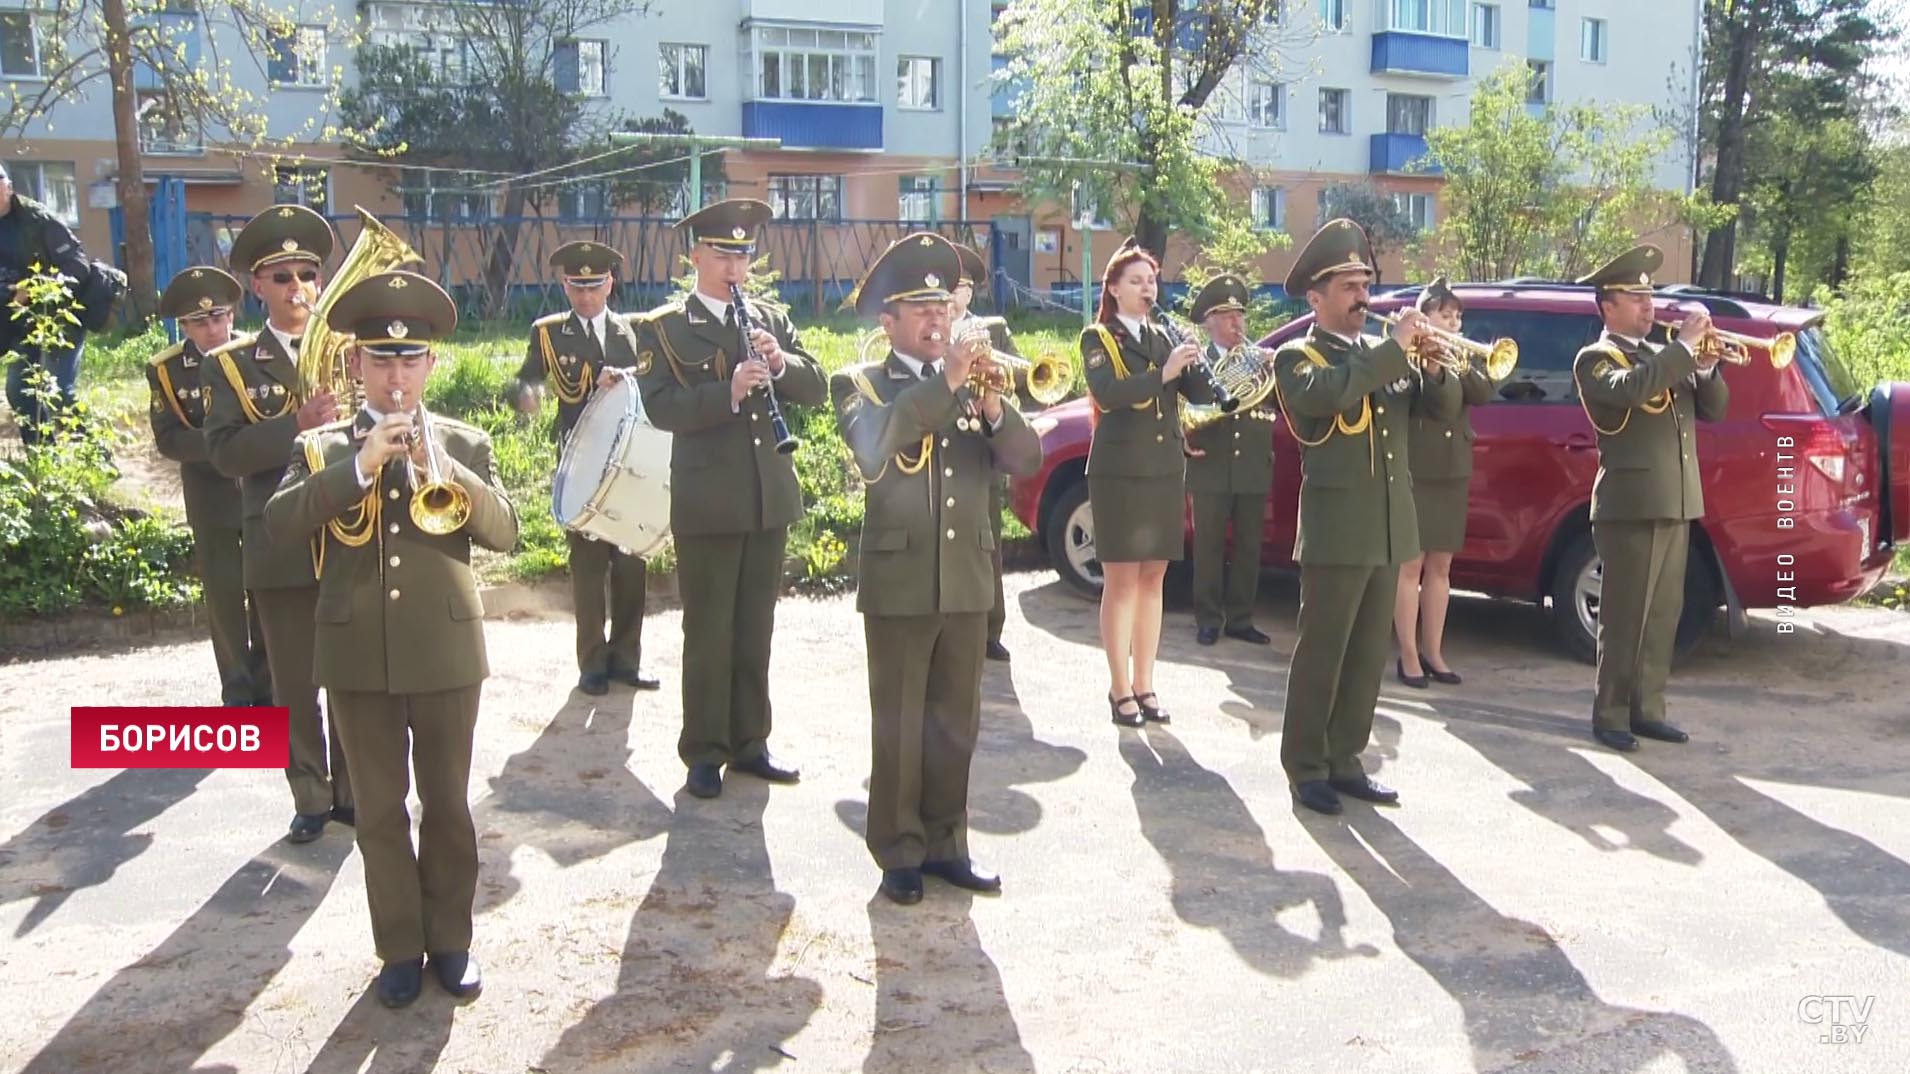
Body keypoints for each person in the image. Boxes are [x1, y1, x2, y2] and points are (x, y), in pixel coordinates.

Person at [264, 269, 519, 1008]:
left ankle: (452, 941)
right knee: (377, 811)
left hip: (444, 653)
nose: (397, 375)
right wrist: (360, 463)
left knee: (448, 805)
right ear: (357, 366)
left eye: (411, 361)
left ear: (432, 365)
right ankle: (398, 948)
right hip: (355, 656)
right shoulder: (319, 448)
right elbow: (280, 526)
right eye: (382, 360)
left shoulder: (465, 441)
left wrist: (443, 467)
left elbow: (506, 531)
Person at [832, 232, 1044, 905]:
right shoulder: (861, 383)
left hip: (965, 579)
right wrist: (949, 383)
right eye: (919, 309)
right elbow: (875, 449)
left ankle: (948, 841)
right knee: (898, 720)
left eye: (940, 308)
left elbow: (1027, 459)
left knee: (957, 719)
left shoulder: (976, 384)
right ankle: (898, 848)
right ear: (887, 320)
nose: (935, 320)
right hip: (899, 580)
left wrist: (992, 408)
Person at [630, 199, 828, 800]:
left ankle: (751, 741)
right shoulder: (663, 327)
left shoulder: (768, 315)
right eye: (722, 253)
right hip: (709, 498)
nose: (734, 264)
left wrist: (779, 361)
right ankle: (704, 752)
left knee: (756, 626)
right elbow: (659, 407)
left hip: (768, 494)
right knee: (709, 628)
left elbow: (816, 386)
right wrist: (728, 392)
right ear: (695, 256)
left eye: (742, 253)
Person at [1270, 219, 1456, 816]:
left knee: (1366, 653)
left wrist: (1434, 365)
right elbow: (1326, 399)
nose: (1362, 296)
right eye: (1348, 285)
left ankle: (1347, 757)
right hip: (1336, 527)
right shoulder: (1298, 357)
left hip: (1389, 522)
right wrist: (1393, 351)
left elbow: (1443, 407)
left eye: (1365, 282)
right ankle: (1305, 765)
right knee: (1324, 650)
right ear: (1315, 298)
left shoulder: (1383, 355)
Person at [203, 204, 353, 844]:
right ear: (257, 287)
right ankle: (310, 793)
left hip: (349, 538)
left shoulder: (354, 352)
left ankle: (353, 791)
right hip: (280, 544)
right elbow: (225, 454)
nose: (298, 288)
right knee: (294, 683)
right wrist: (294, 426)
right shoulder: (230, 365)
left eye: (307, 274)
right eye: (282, 276)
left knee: (353, 675)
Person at [1570, 244, 1727, 752]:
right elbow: (1630, 391)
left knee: (1662, 616)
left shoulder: (1663, 357)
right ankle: (1610, 713)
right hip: (1629, 504)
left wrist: (1704, 367)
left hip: (1676, 500)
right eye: (1636, 297)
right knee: (1624, 617)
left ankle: (1649, 708)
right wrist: (1682, 350)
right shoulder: (1597, 358)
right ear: (1607, 305)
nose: (1648, 305)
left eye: (1650, 295)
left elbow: (1716, 409)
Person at [1080, 238, 1212, 727]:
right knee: (1121, 581)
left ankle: (1146, 683)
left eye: (1151, 280)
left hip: (1161, 470)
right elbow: (1110, 394)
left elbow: (1194, 392)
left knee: (1154, 577)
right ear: (1113, 289)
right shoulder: (1099, 338)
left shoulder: (1162, 336)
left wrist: (1202, 365)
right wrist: (1166, 370)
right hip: (1119, 472)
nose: (1146, 288)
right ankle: (1119, 689)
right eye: (1135, 281)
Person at [516, 240, 657, 696]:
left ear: (610, 284)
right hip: (580, 463)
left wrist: (626, 379)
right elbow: (525, 384)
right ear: (564, 285)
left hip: (630, 459)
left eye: (594, 286)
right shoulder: (548, 334)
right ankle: (592, 662)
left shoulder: (633, 331)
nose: (586, 296)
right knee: (589, 566)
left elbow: (653, 384)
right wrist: (526, 397)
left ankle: (627, 658)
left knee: (632, 562)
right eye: (577, 287)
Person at [146, 266, 271, 706]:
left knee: (266, 591)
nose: (213, 329)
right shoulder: (167, 371)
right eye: (200, 322)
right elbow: (168, 438)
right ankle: (237, 693)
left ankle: (270, 690)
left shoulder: (260, 357)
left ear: (233, 314)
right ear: (183, 325)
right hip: (210, 495)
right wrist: (225, 446)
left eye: (219, 317)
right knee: (223, 598)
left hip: (262, 491)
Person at [1393, 277, 1496, 688]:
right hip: (1417, 468)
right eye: (1444, 315)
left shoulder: (1461, 358)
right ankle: (1407, 654)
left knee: (1441, 566)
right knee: (1410, 565)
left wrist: (1454, 358)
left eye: (1457, 316)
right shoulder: (1408, 355)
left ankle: (1434, 651)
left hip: (1453, 469)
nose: (1453, 323)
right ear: (1424, 317)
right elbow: (1439, 403)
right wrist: (1432, 364)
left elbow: (1485, 391)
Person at [1182, 273, 1275, 648]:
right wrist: (1181, 441)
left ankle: (1241, 618)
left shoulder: (1258, 362)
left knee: (1250, 546)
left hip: (1252, 465)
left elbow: (1275, 406)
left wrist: (1274, 370)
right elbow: (1178, 408)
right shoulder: (1195, 362)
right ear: (1209, 322)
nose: (1237, 323)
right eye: (1227, 316)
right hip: (1210, 465)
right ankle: (1207, 618)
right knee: (1208, 547)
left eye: (1240, 315)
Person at [950, 241, 1022, 663]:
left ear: (970, 293)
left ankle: (991, 630)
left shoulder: (991, 328)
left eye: (959, 287)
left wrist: (996, 399)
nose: (952, 295)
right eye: (947, 286)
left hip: (983, 446)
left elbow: (1019, 377)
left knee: (988, 544)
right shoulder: (932, 330)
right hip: (942, 446)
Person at [1, 161, 94, 444]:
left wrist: (39, 289)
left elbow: (78, 264)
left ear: (8, 187)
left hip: (59, 319)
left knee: (59, 393)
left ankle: (96, 457)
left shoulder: (37, 219)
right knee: (20, 392)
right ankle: (43, 458)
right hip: (19, 325)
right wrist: (10, 293)